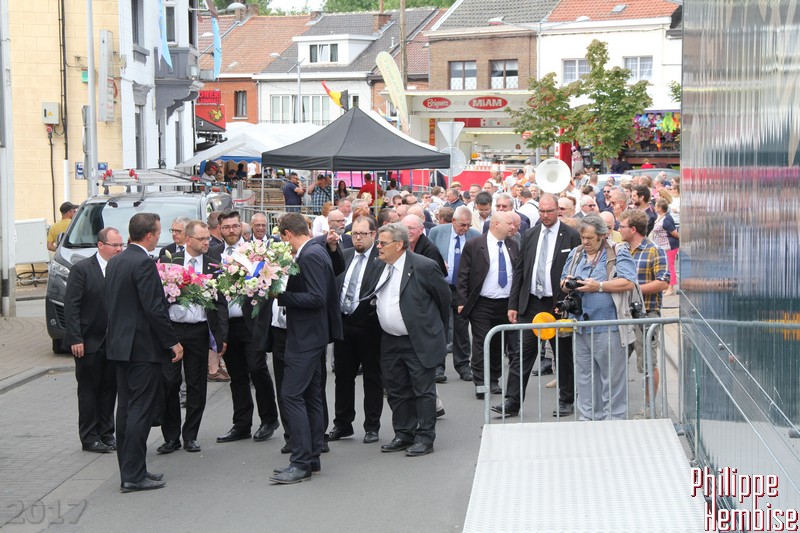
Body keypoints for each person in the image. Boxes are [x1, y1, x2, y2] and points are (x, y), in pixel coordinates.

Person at [106, 213, 183, 493]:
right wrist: (172, 342)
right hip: (142, 348)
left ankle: (131, 470)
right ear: (149, 235)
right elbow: (154, 308)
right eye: (159, 233)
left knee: (126, 410)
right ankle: (134, 476)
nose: (159, 237)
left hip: (120, 347)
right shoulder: (143, 263)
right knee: (140, 410)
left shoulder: (116, 261)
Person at [270, 213, 342, 484]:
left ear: (288, 234)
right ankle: (311, 458)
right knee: (310, 396)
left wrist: (281, 296)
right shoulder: (315, 250)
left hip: (306, 337)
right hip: (312, 335)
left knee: (291, 396)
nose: (283, 243)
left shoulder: (310, 255)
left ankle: (300, 462)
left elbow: (316, 297)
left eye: (282, 238)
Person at [374, 223, 449, 457]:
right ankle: (404, 433)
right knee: (396, 389)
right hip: (390, 340)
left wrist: (432, 330)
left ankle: (425, 437)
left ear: (399, 244)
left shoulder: (424, 266)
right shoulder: (380, 266)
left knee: (423, 391)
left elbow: (443, 300)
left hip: (418, 339)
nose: (378, 247)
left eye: (382, 243)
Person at [156, 221, 228, 455]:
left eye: (208, 238)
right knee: (169, 382)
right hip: (173, 330)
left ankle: (190, 435)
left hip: (199, 330)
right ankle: (171, 437)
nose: (207, 242)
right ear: (188, 240)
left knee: (197, 385)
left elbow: (220, 303)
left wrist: (221, 336)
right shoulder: (170, 261)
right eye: (202, 239)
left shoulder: (213, 264)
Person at [214, 211, 281, 446]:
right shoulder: (214, 254)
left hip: (252, 322)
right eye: (226, 227)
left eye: (235, 226)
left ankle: (269, 419)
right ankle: (241, 424)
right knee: (237, 375)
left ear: (242, 228)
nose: (231, 230)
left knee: (257, 368)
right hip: (227, 325)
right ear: (220, 229)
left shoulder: (254, 251)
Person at [561, 214, 636, 421]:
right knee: (585, 377)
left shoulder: (617, 251)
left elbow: (628, 282)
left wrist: (599, 286)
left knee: (611, 377)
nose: (585, 242)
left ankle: (613, 421)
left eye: (590, 238)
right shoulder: (577, 253)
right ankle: (588, 419)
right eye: (582, 237)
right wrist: (568, 284)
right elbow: (563, 280)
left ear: (602, 236)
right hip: (580, 325)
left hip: (609, 325)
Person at [63, 227, 123, 453]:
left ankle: (107, 434)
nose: (119, 249)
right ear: (100, 245)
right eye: (115, 245)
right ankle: (89, 437)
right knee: (89, 391)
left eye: (121, 245)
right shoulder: (82, 269)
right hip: (88, 342)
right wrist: (75, 338)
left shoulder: (120, 268)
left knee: (109, 389)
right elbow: (72, 306)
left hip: (113, 342)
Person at [328, 216, 384, 445]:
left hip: (370, 326)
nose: (358, 238)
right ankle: (343, 423)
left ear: (374, 234)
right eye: (355, 234)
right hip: (344, 325)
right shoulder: (346, 255)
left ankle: (372, 425)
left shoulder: (380, 260)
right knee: (343, 377)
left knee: (372, 377)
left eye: (363, 234)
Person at [457, 212, 520, 399]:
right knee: (481, 342)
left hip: (506, 303)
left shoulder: (513, 245)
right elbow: (463, 274)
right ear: (496, 224)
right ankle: (480, 382)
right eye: (509, 223)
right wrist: (462, 301)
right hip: (482, 303)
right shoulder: (475, 244)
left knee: (498, 343)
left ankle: (493, 378)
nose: (513, 227)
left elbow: (518, 274)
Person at [619, 209, 669, 417]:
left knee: (648, 363)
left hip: (646, 315)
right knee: (615, 362)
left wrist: (633, 289)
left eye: (622, 226)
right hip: (622, 315)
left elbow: (663, 282)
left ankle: (648, 408)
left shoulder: (654, 250)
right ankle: (614, 405)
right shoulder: (621, 250)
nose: (619, 230)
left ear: (633, 229)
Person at [427, 206, 480, 382]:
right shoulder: (437, 232)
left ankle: (463, 366)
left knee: (461, 328)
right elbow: (428, 254)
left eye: (468, 225)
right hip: (442, 286)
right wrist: (438, 263)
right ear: (454, 221)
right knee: (439, 327)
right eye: (462, 225)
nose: (465, 228)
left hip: (463, 289)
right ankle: (437, 367)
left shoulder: (474, 236)